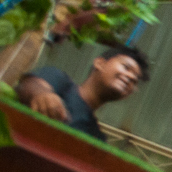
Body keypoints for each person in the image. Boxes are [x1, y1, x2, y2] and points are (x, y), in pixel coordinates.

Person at [15, 44, 149, 142]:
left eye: (135, 81)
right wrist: (41, 94)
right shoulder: (59, 81)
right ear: (100, 63)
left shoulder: (96, 138)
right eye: (126, 67)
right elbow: (31, 85)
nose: (131, 77)